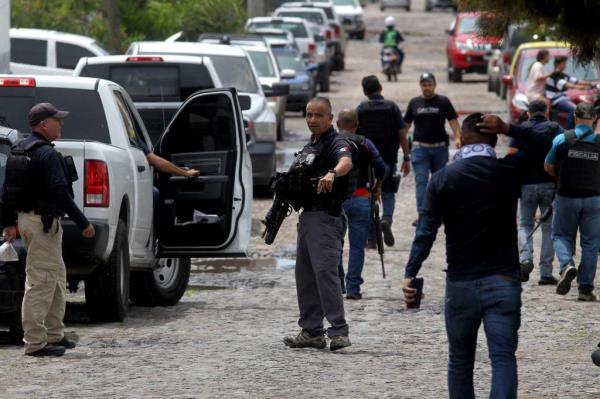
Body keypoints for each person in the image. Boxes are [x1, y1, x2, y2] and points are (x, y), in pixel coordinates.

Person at [403, 112, 557, 399]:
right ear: (495, 138)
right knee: (502, 358)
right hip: (502, 281)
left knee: (460, 361)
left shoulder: (442, 178)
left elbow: (425, 232)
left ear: (460, 140)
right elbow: (552, 143)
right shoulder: (507, 170)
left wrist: (411, 272)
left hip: (460, 284)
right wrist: (511, 128)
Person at [1, 103, 96, 357]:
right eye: (57, 120)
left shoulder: (19, 150)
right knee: (41, 280)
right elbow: (60, 194)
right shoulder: (47, 154)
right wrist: (83, 223)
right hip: (43, 224)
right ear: (44, 124)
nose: (61, 124)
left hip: (28, 221)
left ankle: (54, 334)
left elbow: (7, 191)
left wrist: (10, 222)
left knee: (55, 276)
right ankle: (35, 343)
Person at [283, 97, 353, 352]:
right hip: (307, 218)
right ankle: (312, 331)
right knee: (305, 276)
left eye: (318, 115)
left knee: (325, 273)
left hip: (326, 218)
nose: (312, 120)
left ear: (330, 118)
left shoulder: (337, 143)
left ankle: (338, 331)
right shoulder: (309, 148)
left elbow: (346, 162)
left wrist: (333, 173)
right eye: (309, 115)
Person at [544, 102, 600, 301]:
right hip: (594, 199)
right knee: (591, 244)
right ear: (594, 119)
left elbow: (548, 166)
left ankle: (567, 264)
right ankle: (585, 289)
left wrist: (560, 173)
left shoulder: (562, 139)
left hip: (566, 197)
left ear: (575, 118)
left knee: (560, 236)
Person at [507, 99, 562, 285]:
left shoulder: (522, 129)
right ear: (546, 112)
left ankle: (525, 259)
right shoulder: (555, 129)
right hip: (550, 184)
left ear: (529, 113)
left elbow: (511, 154)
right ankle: (546, 272)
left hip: (526, 185)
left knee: (525, 225)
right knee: (549, 228)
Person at [337, 109, 389, 300]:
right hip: (362, 198)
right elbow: (382, 168)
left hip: (337, 202)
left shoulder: (332, 143)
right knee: (357, 247)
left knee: (336, 245)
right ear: (357, 124)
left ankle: (338, 284)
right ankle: (353, 288)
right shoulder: (366, 144)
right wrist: (377, 187)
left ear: (337, 124)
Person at [356, 75, 410, 247]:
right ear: (380, 87)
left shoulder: (361, 109)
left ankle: (371, 238)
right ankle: (386, 219)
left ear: (365, 91)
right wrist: (406, 157)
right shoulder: (392, 107)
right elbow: (402, 134)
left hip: (367, 160)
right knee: (388, 193)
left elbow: (355, 135)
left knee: (370, 195)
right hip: (388, 158)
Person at [403, 72, 460, 226]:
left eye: (429, 84)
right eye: (424, 85)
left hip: (440, 149)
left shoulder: (443, 102)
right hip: (420, 149)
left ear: (434, 85)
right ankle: (424, 214)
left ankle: (438, 213)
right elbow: (405, 125)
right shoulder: (414, 103)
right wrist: (401, 143)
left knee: (439, 183)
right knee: (421, 181)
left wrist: (458, 137)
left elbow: (453, 120)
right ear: (420, 85)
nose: (427, 88)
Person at [545, 55, 595, 129]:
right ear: (557, 64)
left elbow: (576, 81)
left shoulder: (563, 75)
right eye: (563, 64)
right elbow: (566, 85)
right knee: (575, 110)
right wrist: (581, 88)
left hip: (563, 98)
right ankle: (570, 130)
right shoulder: (554, 75)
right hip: (556, 100)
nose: (565, 66)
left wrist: (591, 83)